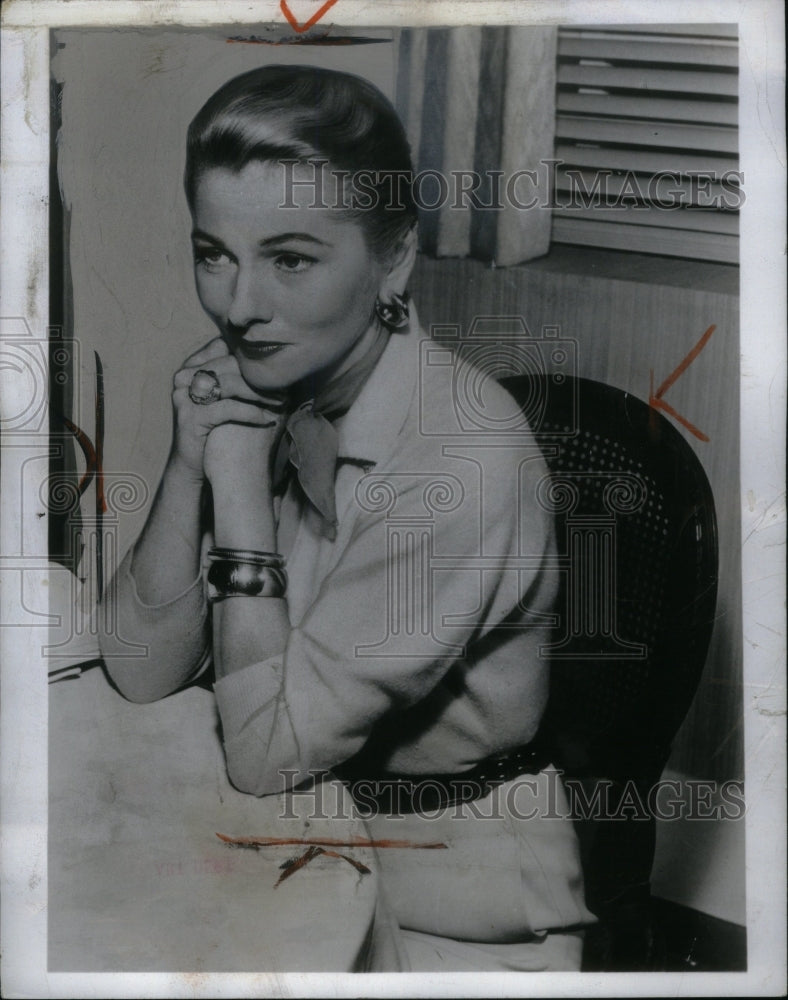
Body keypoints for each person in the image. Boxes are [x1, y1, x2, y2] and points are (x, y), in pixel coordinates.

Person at [99, 64, 593, 971]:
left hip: (459, 916)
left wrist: (238, 481)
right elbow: (135, 673)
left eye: (290, 259)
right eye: (215, 253)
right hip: (292, 853)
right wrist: (188, 457)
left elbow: (265, 753)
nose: (240, 308)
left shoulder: (463, 458)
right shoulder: (288, 380)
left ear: (394, 256)